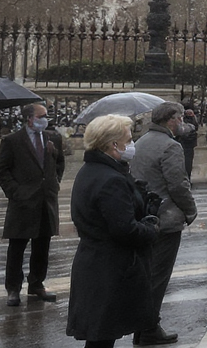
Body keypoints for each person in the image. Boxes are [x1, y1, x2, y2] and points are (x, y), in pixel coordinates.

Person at [66, 115, 160, 348]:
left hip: (95, 263)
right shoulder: (110, 179)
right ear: (112, 144)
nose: (132, 144)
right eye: (128, 139)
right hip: (109, 269)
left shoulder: (92, 170)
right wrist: (151, 227)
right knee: (102, 339)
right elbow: (124, 229)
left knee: (101, 337)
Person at [127, 103, 195, 346]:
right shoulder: (171, 146)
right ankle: (148, 327)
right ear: (171, 120)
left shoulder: (141, 141)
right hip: (166, 221)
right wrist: (190, 210)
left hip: (145, 218)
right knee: (157, 278)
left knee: (147, 275)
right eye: (179, 117)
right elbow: (178, 184)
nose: (182, 122)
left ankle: (142, 325)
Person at [0, 103, 65, 307]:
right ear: (30, 119)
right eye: (41, 115)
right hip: (22, 202)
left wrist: (54, 183)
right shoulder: (12, 140)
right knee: (17, 247)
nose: (46, 118)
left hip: (46, 200)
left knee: (42, 246)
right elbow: (2, 170)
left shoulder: (53, 138)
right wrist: (15, 192)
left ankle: (37, 283)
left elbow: (59, 163)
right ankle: (13, 288)